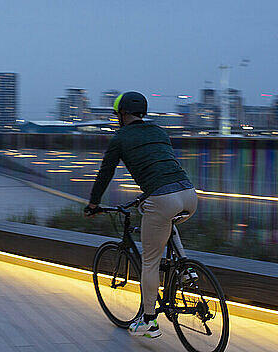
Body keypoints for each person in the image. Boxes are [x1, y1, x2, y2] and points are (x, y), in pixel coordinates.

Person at [84, 91, 198, 339]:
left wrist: (93, 203)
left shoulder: (120, 137)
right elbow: (161, 164)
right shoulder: (159, 131)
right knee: (167, 220)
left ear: (122, 114)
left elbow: (106, 173)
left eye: (118, 114)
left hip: (161, 197)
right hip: (189, 194)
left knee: (150, 262)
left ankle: (149, 322)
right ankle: (187, 269)